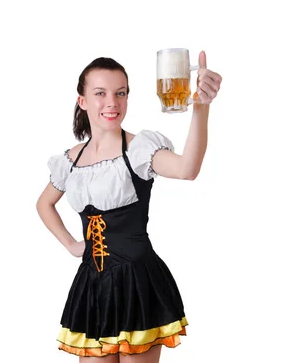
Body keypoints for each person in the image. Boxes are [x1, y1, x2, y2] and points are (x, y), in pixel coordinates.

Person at [36, 51, 222, 362]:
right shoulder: (71, 160)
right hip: (93, 286)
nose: (113, 102)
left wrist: (200, 108)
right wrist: (70, 244)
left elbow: (188, 168)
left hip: (138, 283)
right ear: (82, 100)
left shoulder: (138, 149)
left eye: (120, 93)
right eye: (101, 93)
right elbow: (44, 204)